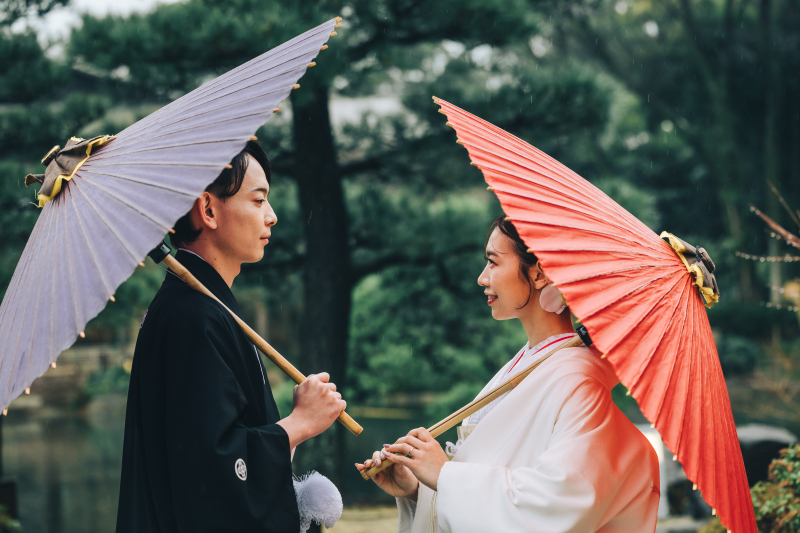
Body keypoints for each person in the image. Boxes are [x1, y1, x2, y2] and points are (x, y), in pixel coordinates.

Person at [357, 216, 660, 532]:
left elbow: (550, 510)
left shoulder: (576, 381)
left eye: (493, 262)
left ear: (539, 273)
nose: (482, 278)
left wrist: (445, 475)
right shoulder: (531, 363)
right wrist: (419, 489)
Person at [116, 140, 346, 533]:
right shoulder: (193, 316)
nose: (271, 216)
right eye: (258, 201)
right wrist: (299, 423)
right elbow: (210, 470)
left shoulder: (200, 306)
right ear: (208, 209)